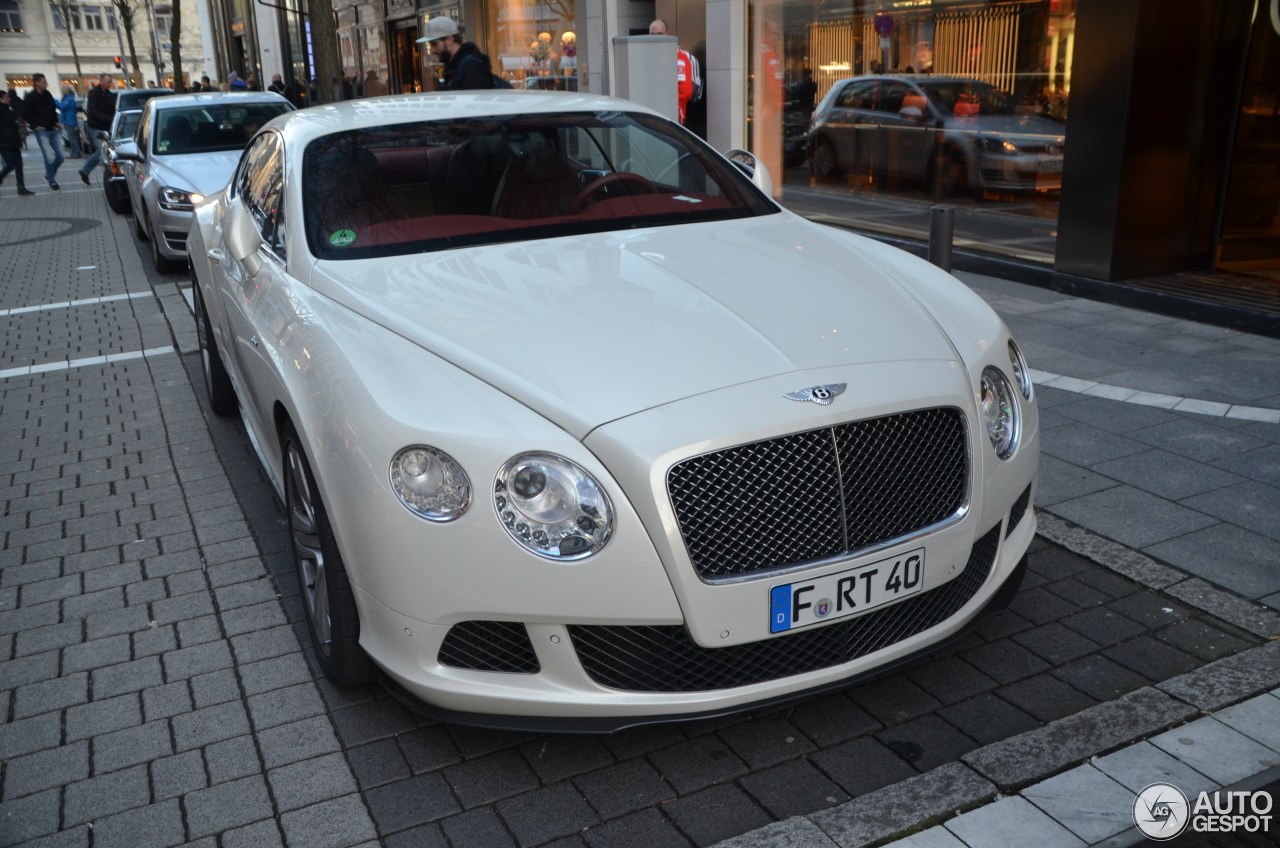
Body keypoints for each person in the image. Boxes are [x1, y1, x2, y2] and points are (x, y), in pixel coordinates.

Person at [418, 16, 498, 90]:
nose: (432, 50)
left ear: (450, 40)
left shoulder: (470, 68)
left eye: (435, 44)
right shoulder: (455, 66)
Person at [648, 19, 700, 125]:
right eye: (653, 34)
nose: (656, 37)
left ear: (668, 34)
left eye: (660, 34)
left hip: (672, 119)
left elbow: (685, 91)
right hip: (652, 117)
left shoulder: (679, 57)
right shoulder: (647, 56)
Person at [24, 74, 64, 191]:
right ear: (36, 83)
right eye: (44, 82)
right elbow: (26, 114)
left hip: (53, 129)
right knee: (49, 157)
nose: (46, 84)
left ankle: (49, 175)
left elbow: (53, 109)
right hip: (42, 131)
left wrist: (56, 123)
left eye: (46, 82)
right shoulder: (30, 97)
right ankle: (52, 182)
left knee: (60, 157)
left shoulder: (48, 94)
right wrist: (35, 126)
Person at [78, 73, 116, 185]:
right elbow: (92, 110)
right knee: (101, 151)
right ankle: (87, 171)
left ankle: (85, 171)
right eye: (108, 82)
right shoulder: (93, 93)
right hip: (96, 126)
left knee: (105, 151)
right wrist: (107, 118)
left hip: (107, 126)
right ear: (101, 81)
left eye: (110, 82)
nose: (110, 84)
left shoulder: (109, 94)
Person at [0, 89, 34, 196]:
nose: (9, 99)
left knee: (19, 165)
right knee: (10, 165)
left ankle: (21, 187)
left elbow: (17, 117)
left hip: (14, 141)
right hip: (4, 143)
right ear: (1, 99)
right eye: (6, 97)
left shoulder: (9, 108)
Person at [57, 84, 80, 158]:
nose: (61, 91)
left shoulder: (68, 99)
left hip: (69, 120)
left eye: (62, 90)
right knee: (71, 137)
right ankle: (74, 152)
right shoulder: (68, 98)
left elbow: (62, 107)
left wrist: (55, 101)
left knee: (71, 137)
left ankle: (76, 153)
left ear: (66, 91)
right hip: (69, 120)